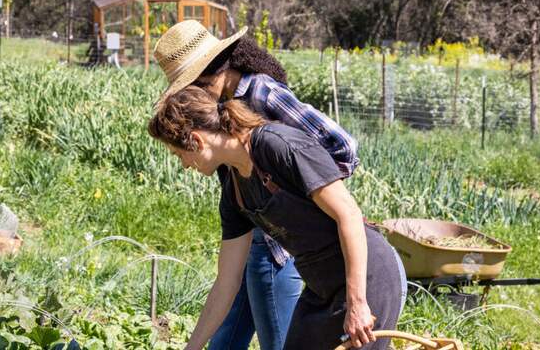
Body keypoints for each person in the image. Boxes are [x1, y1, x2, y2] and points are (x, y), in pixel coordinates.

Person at [152, 21, 364, 350]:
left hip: (281, 246)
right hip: (251, 232)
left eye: (193, 86)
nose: (192, 97)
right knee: (225, 336)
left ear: (209, 75)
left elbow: (343, 147)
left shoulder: (264, 95)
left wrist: (308, 194)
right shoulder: (216, 112)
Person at [148, 86, 406, 350]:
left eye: (180, 155)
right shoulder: (234, 192)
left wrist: (357, 302)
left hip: (366, 277)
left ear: (197, 140)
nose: (184, 165)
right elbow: (226, 282)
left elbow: (348, 214)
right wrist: (192, 347)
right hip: (321, 287)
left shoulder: (277, 145)